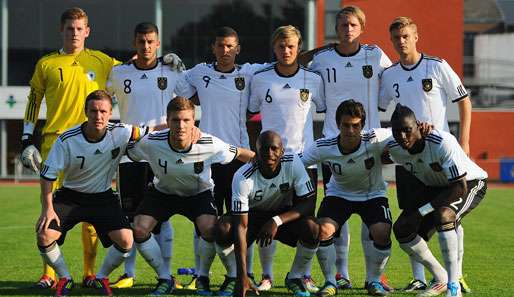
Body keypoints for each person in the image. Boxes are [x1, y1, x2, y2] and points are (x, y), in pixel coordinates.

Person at [20, 7, 120, 289]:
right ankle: (49, 275)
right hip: (55, 142)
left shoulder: (103, 61)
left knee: (90, 212)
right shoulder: (47, 64)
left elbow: (136, 71)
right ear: (61, 30)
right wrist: (27, 139)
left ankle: (89, 273)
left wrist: (165, 64)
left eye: (79, 28)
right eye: (69, 28)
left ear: (87, 31)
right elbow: (33, 101)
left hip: (93, 146)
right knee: (49, 209)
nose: (74, 33)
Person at [299, 6, 393, 291]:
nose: (347, 30)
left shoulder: (375, 54)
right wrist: (320, 49)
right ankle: (340, 272)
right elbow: (295, 64)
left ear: (361, 27)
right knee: (337, 212)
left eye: (352, 25)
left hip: (370, 144)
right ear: (335, 29)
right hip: (334, 144)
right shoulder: (324, 58)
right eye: (342, 25)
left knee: (372, 216)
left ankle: (374, 275)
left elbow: (395, 76)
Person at [379, 16, 473, 293]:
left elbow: (464, 101)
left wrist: (464, 141)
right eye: (396, 37)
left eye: (406, 36)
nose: (401, 41)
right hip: (408, 157)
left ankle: (456, 274)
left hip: (439, 155)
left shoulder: (436, 66)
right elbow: (381, 106)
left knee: (447, 213)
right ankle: (420, 276)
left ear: (416, 36)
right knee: (411, 215)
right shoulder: (390, 75)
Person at [127, 97, 255, 295]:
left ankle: (203, 277)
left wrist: (272, 163)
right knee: (140, 229)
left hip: (198, 194)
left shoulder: (209, 142)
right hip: (162, 192)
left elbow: (239, 152)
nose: (181, 125)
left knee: (210, 229)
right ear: (167, 122)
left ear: (194, 121)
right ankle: (164, 278)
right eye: (176, 120)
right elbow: (127, 149)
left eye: (186, 120)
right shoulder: (151, 142)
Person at [105, 21, 193, 290]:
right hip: (130, 154)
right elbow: (101, 100)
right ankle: (128, 273)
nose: (146, 46)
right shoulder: (119, 73)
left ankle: (165, 274)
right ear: (135, 43)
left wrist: (184, 67)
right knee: (131, 217)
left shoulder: (173, 72)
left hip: (163, 154)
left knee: (162, 216)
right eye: (141, 42)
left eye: (151, 42)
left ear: (158, 44)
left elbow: (192, 98)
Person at [36, 90, 147, 297]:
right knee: (44, 234)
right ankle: (65, 278)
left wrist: (187, 130)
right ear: (86, 112)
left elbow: (151, 132)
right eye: (94, 111)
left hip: (102, 197)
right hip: (70, 196)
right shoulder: (67, 139)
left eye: (103, 111)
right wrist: (47, 209)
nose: (98, 116)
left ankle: (101, 277)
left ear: (110, 112)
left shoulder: (121, 132)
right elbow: (47, 175)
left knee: (126, 240)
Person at [181, 27, 265, 293]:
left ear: (238, 48)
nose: (225, 50)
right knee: (206, 220)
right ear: (213, 47)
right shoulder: (198, 72)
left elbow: (283, 62)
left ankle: (243, 274)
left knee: (242, 220)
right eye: (220, 46)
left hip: (240, 157)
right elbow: (182, 94)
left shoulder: (248, 72)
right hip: (207, 157)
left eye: (230, 46)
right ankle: (202, 275)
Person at [247, 25, 326, 291]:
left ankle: (301, 274)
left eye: (291, 46)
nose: (286, 51)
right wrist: (255, 151)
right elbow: (251, 117)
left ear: (299, 48)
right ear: (274, 48)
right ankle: (267, 275)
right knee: (264, 215)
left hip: (305, 162)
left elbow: (325, 110)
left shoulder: (313, 80)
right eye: (281, 46)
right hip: (270, 161)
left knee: (307, 223)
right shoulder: (260, 79)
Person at [387, 104, 487, 297]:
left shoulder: (441, 142)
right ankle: (440, 277)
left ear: (418, 126)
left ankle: (453, 286)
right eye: (397, 132)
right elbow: (379, 150)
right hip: (437, 188)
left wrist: (421, 212)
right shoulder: (394, 147)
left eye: (407, 130)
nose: (403, 137)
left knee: (444, 215)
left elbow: (459, 187)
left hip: (470, 183)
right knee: (402, 228)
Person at [300, 100, 392, 296]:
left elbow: (404, 132)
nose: (351, 130)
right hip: (339, 195)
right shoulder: (324, 146)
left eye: (356, 125)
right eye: (346, 125)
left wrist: (424, 129)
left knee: (382, 233)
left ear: (362, 125)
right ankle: (331, 282)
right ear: (338, 124)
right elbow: (297, 164)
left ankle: (374, 281)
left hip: (373, 194)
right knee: (323, 231)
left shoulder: (375, 138)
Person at [217, 130, 318, 297]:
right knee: (223, 229)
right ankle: (235, 277)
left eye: (274, 148)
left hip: (283, 217)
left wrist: (276, 221)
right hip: (252, 217)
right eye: (264, 149)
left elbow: (309, 203)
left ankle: (295, 277)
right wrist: (243, 276)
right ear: (256, 152)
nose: (269, 154)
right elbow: (241, 226)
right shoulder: (242, 176)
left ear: (282, 151)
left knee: (313, 228)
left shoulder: (293, 162)